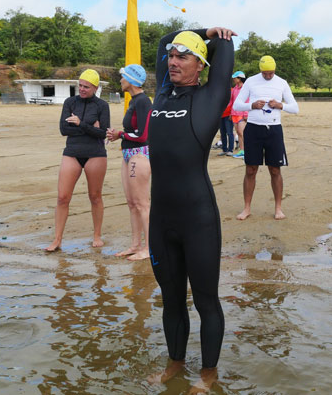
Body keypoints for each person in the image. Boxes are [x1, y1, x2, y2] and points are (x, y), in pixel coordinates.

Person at [146, 27, 235, 385]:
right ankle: (175, 365)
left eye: (183, 57)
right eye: (172, 56)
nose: (173, 61)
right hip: (161, 217)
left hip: (198, 217)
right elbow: (162, 40)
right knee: (171, 299)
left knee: (205, 301)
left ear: (201, 64)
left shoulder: (211, 96)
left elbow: (225, 49)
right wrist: (200, 30)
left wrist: (216, 36)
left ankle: (209, 373)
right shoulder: (162, 93)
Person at [46, 69, 110, 252]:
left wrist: (80, 123)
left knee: (95, 196)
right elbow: (63, 130)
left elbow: (103, 133)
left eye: (86, 87)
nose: (82, 89)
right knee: (62, 197)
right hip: (72, 152)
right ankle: (57, 239)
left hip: (95, 154)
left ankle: (97, 235)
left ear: (95, 88)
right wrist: (90, 127)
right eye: (80, 85)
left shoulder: (101, 106)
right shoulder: (70, 102)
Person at [233, 55, 299, 220]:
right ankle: (246, 208)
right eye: (265, 73)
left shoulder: (282, 82)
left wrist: (280, 105)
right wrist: (252, 105)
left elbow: (295, 108)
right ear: (260, 70)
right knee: (250, 169)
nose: (268, 76)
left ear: (274, 70)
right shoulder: (250, 82)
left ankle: (278, 208)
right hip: (253, 129)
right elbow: (237, 105)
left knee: (275, 170)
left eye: (271, 73)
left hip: (274, 130)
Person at [106, 64, 152, 260]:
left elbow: (143, 135)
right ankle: (135, 244)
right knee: (132, 203)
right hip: (128, 153)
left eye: (123, 77)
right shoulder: (134, 101)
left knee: (142, 204)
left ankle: (149, 248)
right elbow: (133, 131)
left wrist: (121, 134)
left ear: (132, 80)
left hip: (139, 154)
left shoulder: (143, 102)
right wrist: (119, 135)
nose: (120, 80)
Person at [216, 74, 236, 156]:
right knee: (222, 133)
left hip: (229, 115)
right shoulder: (221, 92)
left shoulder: (232, 91)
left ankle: (230, 150)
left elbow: (234, 103)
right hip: (221, 115)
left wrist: (232, 113)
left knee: (229, 132)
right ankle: (224, 149)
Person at [230, 72, 248, 158]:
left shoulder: (245, 88)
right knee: (238, 133)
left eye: (235, 78)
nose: (233, 79)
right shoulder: (234, 89)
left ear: (240, 78)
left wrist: (246, 113)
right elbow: (232, 102)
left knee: (242, 133)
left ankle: (246, 151)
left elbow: (247, 101)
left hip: (242, 114)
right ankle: (242, 150)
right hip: (234, 114)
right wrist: (231, 112)